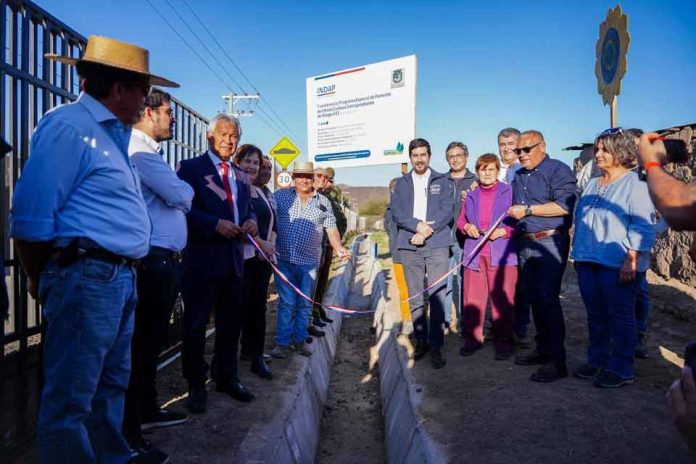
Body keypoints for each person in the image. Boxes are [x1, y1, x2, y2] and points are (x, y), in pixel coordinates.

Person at [10, 35, 178, 463]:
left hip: (116, 276)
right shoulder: (69, 127)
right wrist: (39, 275)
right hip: (87, 275)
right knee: (72, 398)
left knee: (109, 386)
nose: (147, 99)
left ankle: (112, 456)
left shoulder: (113, 135)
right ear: (118, 88)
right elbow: (31, 216)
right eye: (142, 89)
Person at [124, 89, 192, 461]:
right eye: (169, 112)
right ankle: (132, 424)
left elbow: (179, 195)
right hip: (152, 261)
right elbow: (181, 194)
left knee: (152, 343)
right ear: (149, 113)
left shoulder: (151, 153)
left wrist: (181, 193)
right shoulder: (140, 152)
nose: (173, 118)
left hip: (165, 260)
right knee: (140, 345)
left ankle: (147, 409)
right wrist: (182, 193)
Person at [177, 113, 258, 413]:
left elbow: (248, 209)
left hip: (234, 262)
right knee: (196, 325)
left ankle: (227, 376)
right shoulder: (190, 169)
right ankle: (196, 385)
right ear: (209, 136)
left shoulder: (241, 175)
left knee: (231, 324)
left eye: (234, 135)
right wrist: (214, 225)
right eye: (223, 134)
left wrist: (250, 222)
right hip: (202, 261)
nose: (229, 139)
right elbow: (182, 210)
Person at [571, 128, 656, 388]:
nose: (598, 154)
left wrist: (631, 258)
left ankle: (622, 367)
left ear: (620, 152)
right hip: (588, 260)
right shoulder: (594, 183)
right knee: (595, 314)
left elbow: (643, 224)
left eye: (604, 149)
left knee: (620, 316)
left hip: (618, 263)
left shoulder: (636, 183)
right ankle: (596, 359)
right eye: (597, 149)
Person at [507, 130, 577, 382]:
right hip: (525, 243)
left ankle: (557, 362)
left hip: (550, 242)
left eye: (527, 149)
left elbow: (565, 205)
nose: (522, 154)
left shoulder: (558, 170)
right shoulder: (518, 176)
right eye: (518, 151)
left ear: (542, 146)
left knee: (548, 299)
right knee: (534, 298)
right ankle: (542, 349)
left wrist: (528, 210)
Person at [270, 161, 350, 359]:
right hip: (284, 260)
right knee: (287, 302)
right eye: (300, 176)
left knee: (305, 303)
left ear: (314, 179)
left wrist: (339, 248)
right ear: (294, 178)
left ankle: (299, 340)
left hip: (309, 263)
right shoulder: (280, 197)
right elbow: (268, 220)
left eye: (308, 176)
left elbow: (331, 230)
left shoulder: (323, 203)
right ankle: (282, 342)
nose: (304, 180)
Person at [391, 138, 454, 369]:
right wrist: (417, 227)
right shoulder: (401, 183)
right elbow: (396, 212)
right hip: (409, 243)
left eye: (423, 155)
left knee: (437, 294)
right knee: (416, 297)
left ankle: (437, 345)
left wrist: (428, 231)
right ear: (410, 157)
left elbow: (447, 211)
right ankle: (421, 341)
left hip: (436, 243)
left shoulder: (443, 181)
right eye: (415, 155)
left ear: (429, 156)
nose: (419, 159)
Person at [457, 154, 518, 360]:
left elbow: (519, 220)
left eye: (491, 169)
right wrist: (467, 227)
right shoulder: (472, 195)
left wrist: (504, 232)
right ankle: (473, 339)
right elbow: (461, 221)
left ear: (497, 171)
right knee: (472, 299)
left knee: (502, 300)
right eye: (483, 169)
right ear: (477, 171)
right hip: (475, 253)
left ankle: (503, 342)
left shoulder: (509, 191)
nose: (487, 173)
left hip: (501, 255)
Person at [237, 148, 276, 380]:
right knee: (240, 308)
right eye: (252, 163)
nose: (258, 169)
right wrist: (260, 245)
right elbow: (240, 221)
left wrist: (269, 246)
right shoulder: (240, 189)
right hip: (246, 257)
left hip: (263, 259)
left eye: (259, 164)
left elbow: (272, 222)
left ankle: (255, 355)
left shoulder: (262, 193)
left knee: (258, 308)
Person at [444, 142, 477, 333]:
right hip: (441, 239)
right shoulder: (439, 181)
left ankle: (465, 321)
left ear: (466, 156)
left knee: (465, 281)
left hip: (465, 240)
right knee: (444, 281)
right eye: (451, 156)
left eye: (459, 155)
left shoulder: (475, 181)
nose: (455, 159)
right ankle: (446, 320)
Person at [384, 178, 412, 333]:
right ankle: (407, 318)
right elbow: (388, 230)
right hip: (398, 255)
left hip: (413, 254)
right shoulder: (389, 211)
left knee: (415, 287)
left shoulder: (412, 209)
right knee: (403, 288)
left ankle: (417, 316)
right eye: (394, 189)